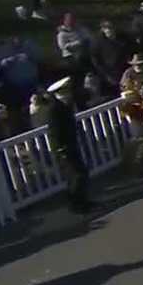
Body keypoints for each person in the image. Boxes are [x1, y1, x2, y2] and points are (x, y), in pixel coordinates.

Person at [36, 78, 92, 213]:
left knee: (81, 173)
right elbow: (54, 132)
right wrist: (61, 149)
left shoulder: (65, 106)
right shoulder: (54, 109)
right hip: (63, 148)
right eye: (64, 91)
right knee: (76, 175)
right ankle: (76, 205)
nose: (68, 93)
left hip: (71, 144)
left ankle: (83, 201)